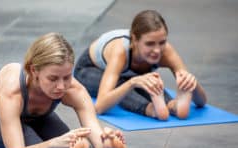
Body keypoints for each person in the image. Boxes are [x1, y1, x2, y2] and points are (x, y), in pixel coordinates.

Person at [74, 10, 207, 120]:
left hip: (130, 75)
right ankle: (151, 110)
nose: (157, 50)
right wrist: (132, 82)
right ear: (135, 40)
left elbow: (201, 102)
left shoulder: (166, 51)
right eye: (150, 44)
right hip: (89, 70)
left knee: (149, 82)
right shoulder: (120, 51)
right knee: (124, 84)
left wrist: (193, 84)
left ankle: (173, 105)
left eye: (162, 42)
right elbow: (100, 107)